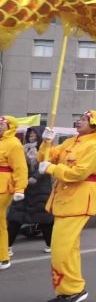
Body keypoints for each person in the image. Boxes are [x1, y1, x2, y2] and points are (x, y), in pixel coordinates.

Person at [38, 110, 96, 302]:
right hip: (64, 198)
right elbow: (44, 158)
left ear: (94, 125)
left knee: (60, 251)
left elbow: (79, 173)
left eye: (84, 119)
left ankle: (73, 290)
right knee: (68, 250)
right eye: (80, 118)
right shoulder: (71, 142)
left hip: (79, 198)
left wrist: (51, 169)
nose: (79, 121)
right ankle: (70, 290)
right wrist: (46, 142)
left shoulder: (95, 146)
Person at [8, 126, 53, 257]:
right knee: (15, 218)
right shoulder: (22, 149)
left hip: (41, 189)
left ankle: (51, 245)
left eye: (34, 133)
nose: (31, 135)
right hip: (24, 189)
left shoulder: (47, 150)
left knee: (45, 220)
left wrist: (35, 177)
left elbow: (47, 166)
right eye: (30, 133)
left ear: (39, 135)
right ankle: (7, 247)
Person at [0, 115, 28, 270]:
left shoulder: (14, 144)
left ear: (10, 126)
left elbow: (20, 168)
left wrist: (20, 188)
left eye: (2, 124)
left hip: (3, 186)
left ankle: (3, 257)